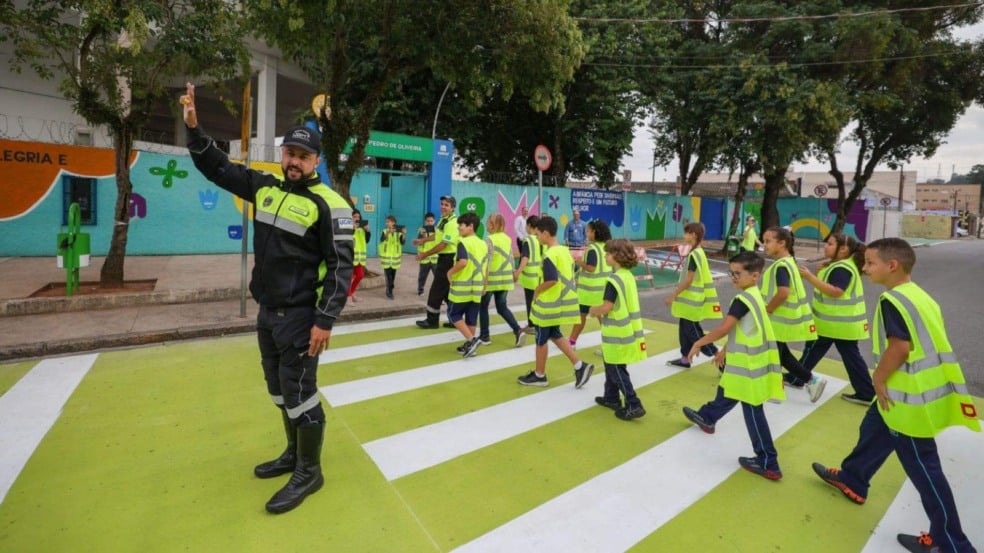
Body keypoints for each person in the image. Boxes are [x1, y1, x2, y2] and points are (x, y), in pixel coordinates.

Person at [180, 83, 352, 514]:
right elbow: (218, 169)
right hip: (267, 314)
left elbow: (341, 269)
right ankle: (293, 454)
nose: (294, 161)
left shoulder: (331, 205)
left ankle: (310, 471)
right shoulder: (266, 188)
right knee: (278, 391)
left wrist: (324, 320)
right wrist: (195, 130)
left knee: (301, 394)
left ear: (317, 161)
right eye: (289, 153)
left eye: (303, 156)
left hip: (300, 318)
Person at [812, 238, 980, 553]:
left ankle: (951, 544)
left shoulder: (894, 301)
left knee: (925, 470)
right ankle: (853, 478)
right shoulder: (919, 296)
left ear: (892, 265)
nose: (865, 267)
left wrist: (878, 379)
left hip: (905, 398)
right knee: (873, 428)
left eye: (871, 262)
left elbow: (900, 347)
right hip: (904, 393)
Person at [681, 252, 785, 480]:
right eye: (731, 272)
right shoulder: (755, 295)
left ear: (755, 275)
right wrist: (725, 350)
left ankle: (769, 461)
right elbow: (745, 328)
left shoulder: (743, 300)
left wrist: (699, 342)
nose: (733, 278)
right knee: (728, 391)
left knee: (752, 411)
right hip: (748, 363)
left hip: (747, 366)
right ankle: (708, 418)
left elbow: (724, 327)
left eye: (737, 274)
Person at [516, 215, 595, 388]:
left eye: (538, 234)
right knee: (555, 334)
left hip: (549, 305)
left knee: (541, 340)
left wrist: (538, 290)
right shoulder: (564, 251)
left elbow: (551, 280)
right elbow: (571, 272)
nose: (536, 237)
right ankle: (580, 366)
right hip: (560, 302)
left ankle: (539, 375)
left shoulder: (550, 254)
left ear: (545, 233)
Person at [797, 233, 875, 405]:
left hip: (836, 324)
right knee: (821, 351)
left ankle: (866, 392)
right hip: (840, 324)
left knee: (815, 350)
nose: (826, 246)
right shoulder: (842, 265)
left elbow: (836, 291)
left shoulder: (841, 268)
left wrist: (810, 277)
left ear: (844, 249)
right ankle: (865, 392)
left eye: (830, 244)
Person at [760, 226, 826, 403]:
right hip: (783, 319)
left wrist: (767, 309)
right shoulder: (789, 262)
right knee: (781, 355)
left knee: (773, 356)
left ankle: (775, 390)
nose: (764, 245)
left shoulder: (781, 266)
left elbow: (783, 293)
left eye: (768, 241)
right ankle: (811, 380)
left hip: (777, 319)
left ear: (782, 243)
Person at [589, 239, 647, 421]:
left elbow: (607, 307)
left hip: (616, 333)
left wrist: (593, 310)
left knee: (615, 369)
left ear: (616, 256)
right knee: (612, 364)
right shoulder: (627, 276)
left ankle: (633, 403)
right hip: (628, 330)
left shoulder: (614, 280)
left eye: (607, 253)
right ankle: (611, 397)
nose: (605, 256)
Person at [664, 222, 722, 368]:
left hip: (691, 301)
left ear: (693, 235)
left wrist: (673, 295)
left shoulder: (694, 254)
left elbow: (689, 280)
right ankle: (684, 358)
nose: (684, 236)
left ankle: (718, 356)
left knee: (693, 332)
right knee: (684, 330)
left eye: (686, 233)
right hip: (689, 301)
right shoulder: (698, 252)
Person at [477, 213, 522, 347]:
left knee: (483, 307)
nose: (486, 224)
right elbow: (510, 257)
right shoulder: (507, 239)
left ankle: (485, 335)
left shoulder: (489, 240)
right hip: (505, 279)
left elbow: (487, 262)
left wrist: (484, 282)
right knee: (502, 307)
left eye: (488, 222)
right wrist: (514, 273)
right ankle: (518, 330)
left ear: (493, 225)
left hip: (491, 280)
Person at [447, 212, 488, 357]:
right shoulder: (483, 243)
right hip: (477, 286)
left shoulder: (463, 242)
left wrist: (450, 273)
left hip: (462, 286)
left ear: (471, 226)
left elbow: (463, 262)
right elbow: (486, 266)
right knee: (471, 317)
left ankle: (472, 340)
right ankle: (471, 346)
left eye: (461, 225)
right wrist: (485, 285)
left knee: (453, 315)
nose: (459, 228)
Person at [415, 196, 459, 329]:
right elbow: (437, 236)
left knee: (436, 291)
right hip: (444, 258)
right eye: (442, 204)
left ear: (452, 208)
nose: (443, 207)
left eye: (446, 205)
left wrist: (425, 254)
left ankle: (432, 321)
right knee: (445, 292)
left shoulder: (452, 223)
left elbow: (443, 244)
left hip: (448, 259)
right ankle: (455, 319)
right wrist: (423, 241)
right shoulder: (443, 220)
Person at [569, 219, 612, 348]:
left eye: (588, 230)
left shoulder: (592, 249)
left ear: (594, 232)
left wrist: (579, 262)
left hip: (588, 292)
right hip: (602, 290)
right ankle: (609, 344)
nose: (586, 233)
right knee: (603, 320)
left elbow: (591, 268)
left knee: (580, 318)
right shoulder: (606, 247)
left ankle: (571, 342)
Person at [513, 215, 541, 346]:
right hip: (539, 276)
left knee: (530, 302)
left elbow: (525, 258)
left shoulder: (527, 240)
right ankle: (538, 322)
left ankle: (532, 325)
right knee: (537, 301)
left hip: (529, 276)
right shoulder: (541, 240)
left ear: (529, 226)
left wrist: (517, 272)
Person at [412, 212, 438, 296]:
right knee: (422, 276)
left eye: (431, 221)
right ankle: (420, 290)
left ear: (434, 221)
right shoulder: (421, 230)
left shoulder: (438, 230)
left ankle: (438, 293)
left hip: (435, 257)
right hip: (424, 258)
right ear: (425, 221)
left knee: (437, 277)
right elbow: (418, 243)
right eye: (428, 221)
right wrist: (422, 235)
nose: (429, 222)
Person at [379, 215, 405, 300]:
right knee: (388, 276)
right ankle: (389, 291)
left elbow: (402, 242)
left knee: (393, 275)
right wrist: (388, 232)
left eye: (388, 222)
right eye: (386, 222)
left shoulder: (399, 232)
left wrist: (404, 234)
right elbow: (382, 239)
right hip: (386, 258)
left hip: (395, 258)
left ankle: (391, 285)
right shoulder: (384, 231)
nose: (387, 223)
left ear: (393, 222)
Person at [348, 209, 370, 302]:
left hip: (359, 258)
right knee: (349, 277)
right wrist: (353, 228)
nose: (357, 218)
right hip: (350, 256)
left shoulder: (362, 228)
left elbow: (367, 240)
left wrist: (368, 231)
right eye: (354, 217)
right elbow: (347, 238)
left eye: (358, 217)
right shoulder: (348, 226)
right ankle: (348, 297)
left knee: (360, 275)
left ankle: (352, 293)